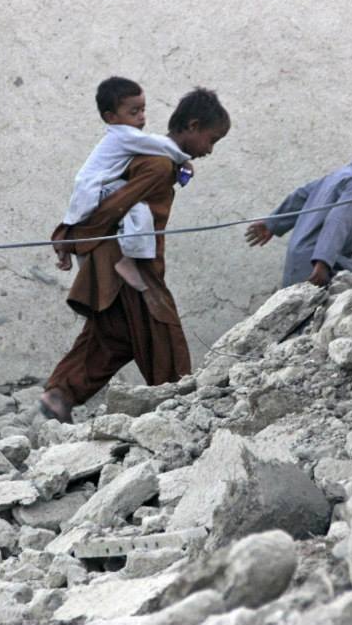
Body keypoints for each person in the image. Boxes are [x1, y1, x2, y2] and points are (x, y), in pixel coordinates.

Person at [40, 88, 230, 423]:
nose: (210, 150)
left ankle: (60, 394)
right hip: (128, 265)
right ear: (193, 125)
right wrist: (70, 236)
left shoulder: (160, 158)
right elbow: (115, 206)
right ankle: (180, 409)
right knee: (162, 327)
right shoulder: (158, 165)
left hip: (120, 261)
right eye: (211, 140)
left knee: (114, 334)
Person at [58, 76, 194, 293]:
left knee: (101, 233)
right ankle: (128, 260)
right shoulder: (123, 135)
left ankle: (69, 252)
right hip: (97, 190)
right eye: (134, 112)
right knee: (140, 210)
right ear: (111, 117)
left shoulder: (121, 136)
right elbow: (158, 144)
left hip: (88, 192)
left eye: (143, 110)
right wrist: (184, 161)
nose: (141, 117)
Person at [245, 120, 352, 287]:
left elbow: (301, 196)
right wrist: (323, 262)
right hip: (316, 268)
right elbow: (338, 221)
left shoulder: (340, 175)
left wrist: (273, 223)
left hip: (298, 262)